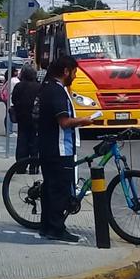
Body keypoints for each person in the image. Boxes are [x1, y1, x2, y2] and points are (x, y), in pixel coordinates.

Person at [37, 55, 93, 243]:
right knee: (59, 190)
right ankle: (56, 228)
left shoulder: (47, 88)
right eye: (74, 72)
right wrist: (84, 121)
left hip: (47, 146)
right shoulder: (57, 92)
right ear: (66, 71)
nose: (75, 76)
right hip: (59, 148)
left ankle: (46, 226)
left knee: (50, 187)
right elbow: (64, 122)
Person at [11, 65, 40, 162]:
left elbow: (14, 99)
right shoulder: (39, 87)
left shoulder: (19, 86)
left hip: (22, 117)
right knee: (34, 141)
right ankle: (34, 165)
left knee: (22, 141)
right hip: (35, 118)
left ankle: (20, 165)